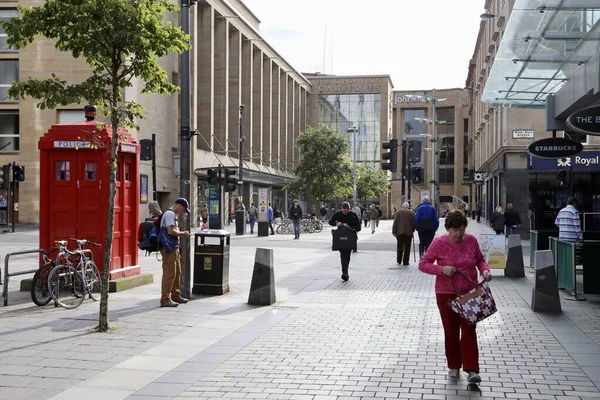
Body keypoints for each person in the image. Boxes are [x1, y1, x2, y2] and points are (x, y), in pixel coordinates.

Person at [418, 209, 492, 383]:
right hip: (446, 295)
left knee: (469, 330)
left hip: (469, 293)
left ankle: (472, 369)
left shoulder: (471, 241)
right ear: (448, 229)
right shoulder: (439, 242)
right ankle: (453, 366)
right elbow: (423, 264)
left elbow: (480, 260)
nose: (459, 234)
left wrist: (485, 270)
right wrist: (442, 269)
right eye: (455, 230)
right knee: (451, 332)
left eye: (462, 229)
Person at [158, 198, 192, 308]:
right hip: (168, 248)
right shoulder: (169, 214)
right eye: (184, 210)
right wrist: (183, 233)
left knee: (177, 272)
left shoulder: (172, 215)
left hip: (173, 247)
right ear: (179, 206)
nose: (183, 213)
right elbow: (170, 231)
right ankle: (165, 299)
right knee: (170, 274)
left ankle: (176, 295)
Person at [329, 202, 362, 281]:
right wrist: (337, 223)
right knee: (343, 254)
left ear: (349, 209)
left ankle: (345, 271)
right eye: (343, 211)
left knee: (347, 255)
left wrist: (350, 227)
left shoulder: (353, 215)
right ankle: (345, 272)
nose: (344, 213)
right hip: (341, 237)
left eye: (346, 211)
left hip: (350, 237)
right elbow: (330, 222)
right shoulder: (338, 214)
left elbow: (358, 228)